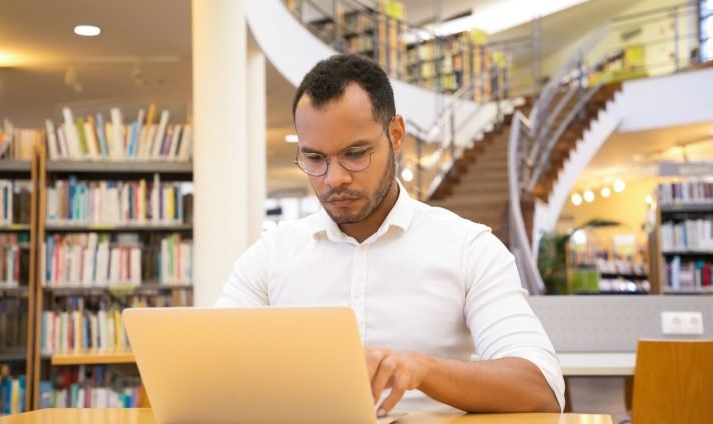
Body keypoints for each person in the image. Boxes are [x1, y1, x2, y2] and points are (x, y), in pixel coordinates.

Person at [214, 54, 564, 415]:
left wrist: (423, 369)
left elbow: (540, 389)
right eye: (315, 158)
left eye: (354, 153)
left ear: (395, 135)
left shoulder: (468, 248)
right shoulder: (272, 253)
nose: (334, 178)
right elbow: (208, 367)